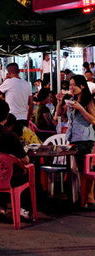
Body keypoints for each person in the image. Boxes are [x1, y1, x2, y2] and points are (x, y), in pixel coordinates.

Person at [56, 75, 95, 207]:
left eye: (74, 85)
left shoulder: (88, 101)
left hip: (85, 139)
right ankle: (82, 196)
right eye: (70, 85)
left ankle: (89, 197)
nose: (71, 88)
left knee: (85, 169)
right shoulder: (71, 100)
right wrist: (59, 102)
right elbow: (58, 116)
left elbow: (93, 120)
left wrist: (81, 109)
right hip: (73, 138)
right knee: (79, 169)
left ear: (82, 86)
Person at [0, 63, 33, 127]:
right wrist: (28, 119)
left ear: (8, 72)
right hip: (24, 117)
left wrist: (5, 80)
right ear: (19, 71)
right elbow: (31, 103)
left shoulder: (8, 82)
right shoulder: (27, 84)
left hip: (11, 117)